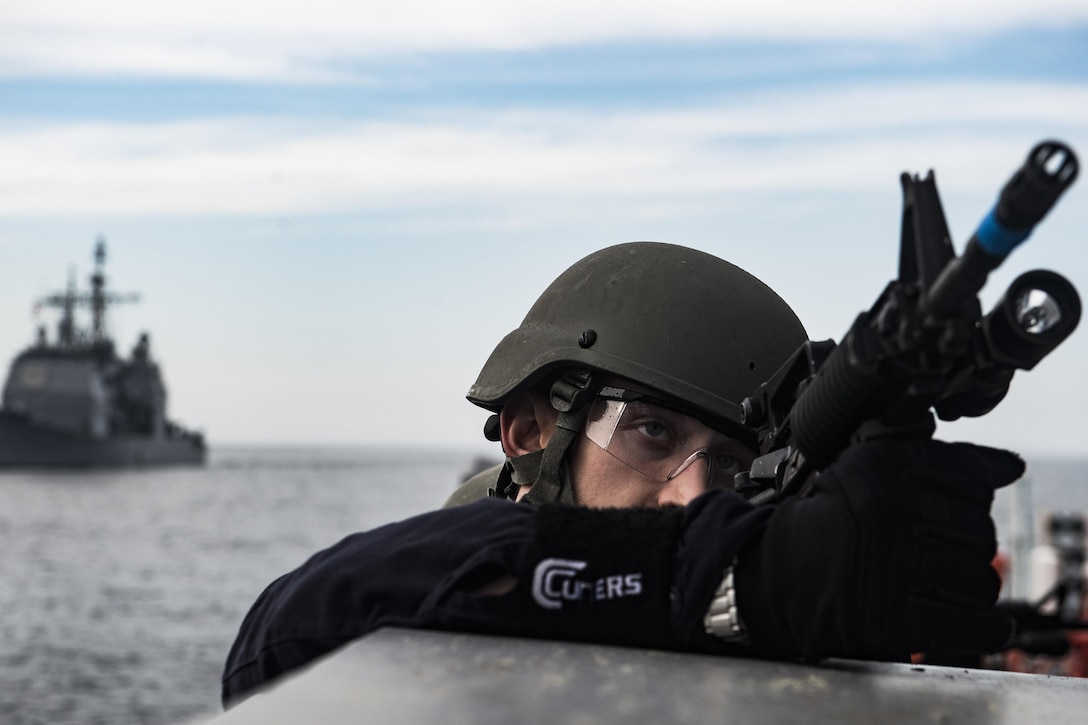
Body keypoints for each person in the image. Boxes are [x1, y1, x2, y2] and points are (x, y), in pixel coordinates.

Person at [221, 242, 1022, 708]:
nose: (695, 491)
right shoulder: (442, 589)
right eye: (651, 432)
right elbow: (283, 633)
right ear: (531, 429)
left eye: (738, 462)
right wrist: (714, 578)